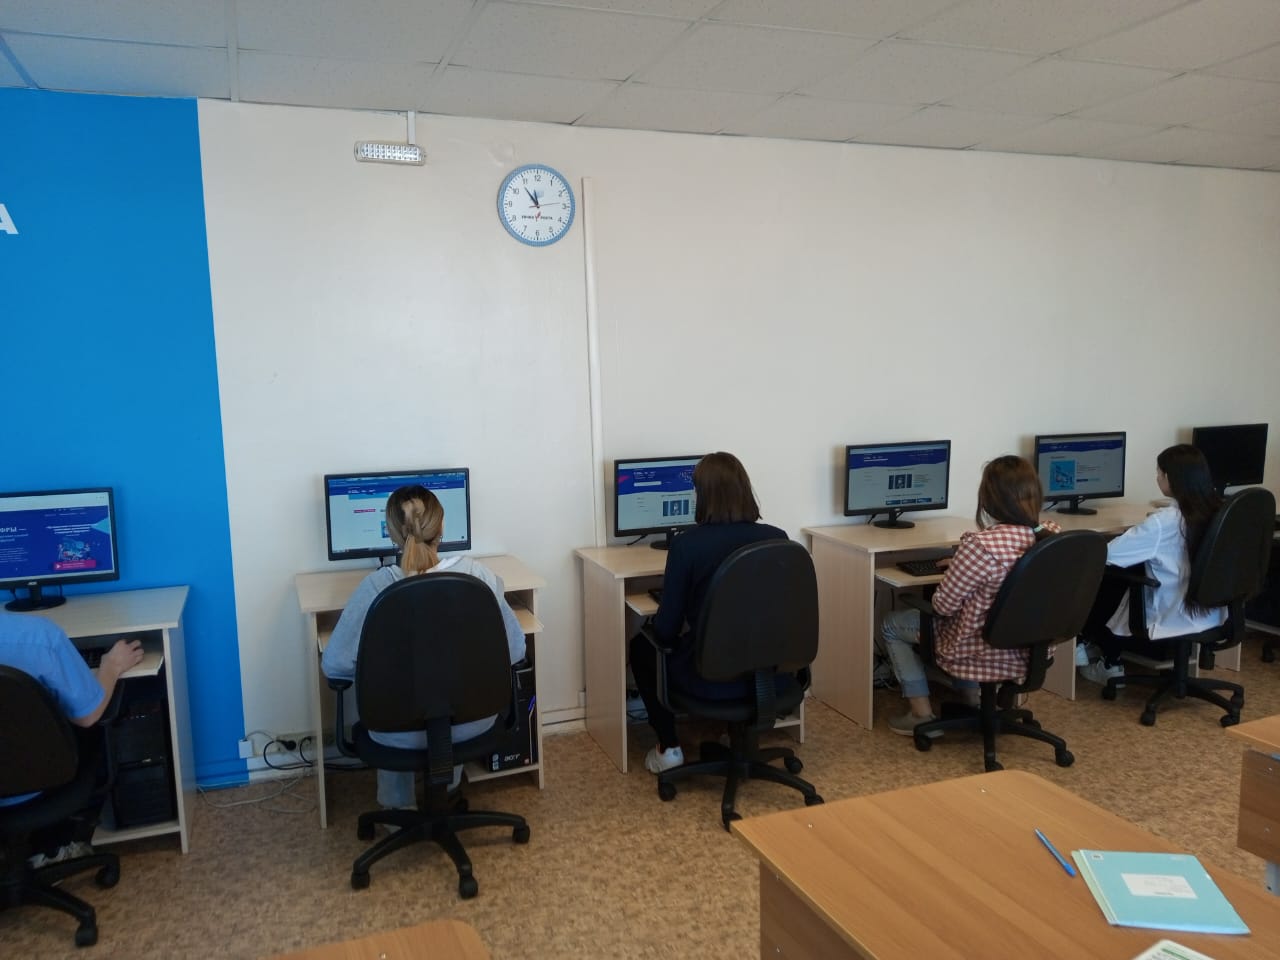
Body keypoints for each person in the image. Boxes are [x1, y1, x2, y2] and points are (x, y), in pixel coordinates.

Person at [321, 484, 526, 811]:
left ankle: (397, 809)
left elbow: (335, 666)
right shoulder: (477, 576)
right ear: (441, 527)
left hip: (396, 733)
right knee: (450, 685)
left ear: (391, 532)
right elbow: (515, 651)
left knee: (393, 697)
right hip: (474, 724)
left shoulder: (376, 587)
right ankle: (449, 794)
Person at [627, 452, 788, 774]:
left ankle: (669, 747)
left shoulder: (688, 545)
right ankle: (729, 731)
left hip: (710, 677)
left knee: (643, 646)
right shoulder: (776, 538)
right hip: (770, 677)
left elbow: (666, 631)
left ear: (701, 495)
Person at [880, 455, 1060, 736]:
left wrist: (961, 568)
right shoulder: (1051, 537)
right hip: (1031, 650)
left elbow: (943, 606)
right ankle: (971, 701)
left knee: (892, 623)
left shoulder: (980, 546)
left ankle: (920, 714)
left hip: (977, 650)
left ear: (988, 500)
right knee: (972, 614)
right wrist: (963, 566)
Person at [0, 610, 144, 864]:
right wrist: (112, 667)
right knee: (88, 724)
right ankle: (50, 849)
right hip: (37, 778)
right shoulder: (38, 636)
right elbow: (88, 716)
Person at [1077, 444, 1225, 685]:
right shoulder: (1220, 511)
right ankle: (1094, 646)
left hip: (1172, 612)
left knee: (1107, 575)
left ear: (1169, 477)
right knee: (1133, 568)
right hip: (1212, 612)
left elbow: (1107, 554)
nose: (1157, 478)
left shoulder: (1163, 523)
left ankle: (1104, 657)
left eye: (1158, 473)